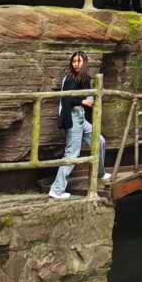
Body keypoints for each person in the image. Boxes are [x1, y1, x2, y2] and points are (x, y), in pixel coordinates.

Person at [49, 51, 107, 200]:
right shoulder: (69, 78)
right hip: (73, 117)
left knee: (99, 141)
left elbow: (86, 95)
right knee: (72, 153)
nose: (76, 64)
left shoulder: (85, 78)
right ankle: (56, 190)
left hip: (81, 118)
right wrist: (83, 101)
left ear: (85, 62)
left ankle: (99, 173)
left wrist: (88, 98)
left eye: (79, 61)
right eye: (74, 61)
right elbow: (66, 99)